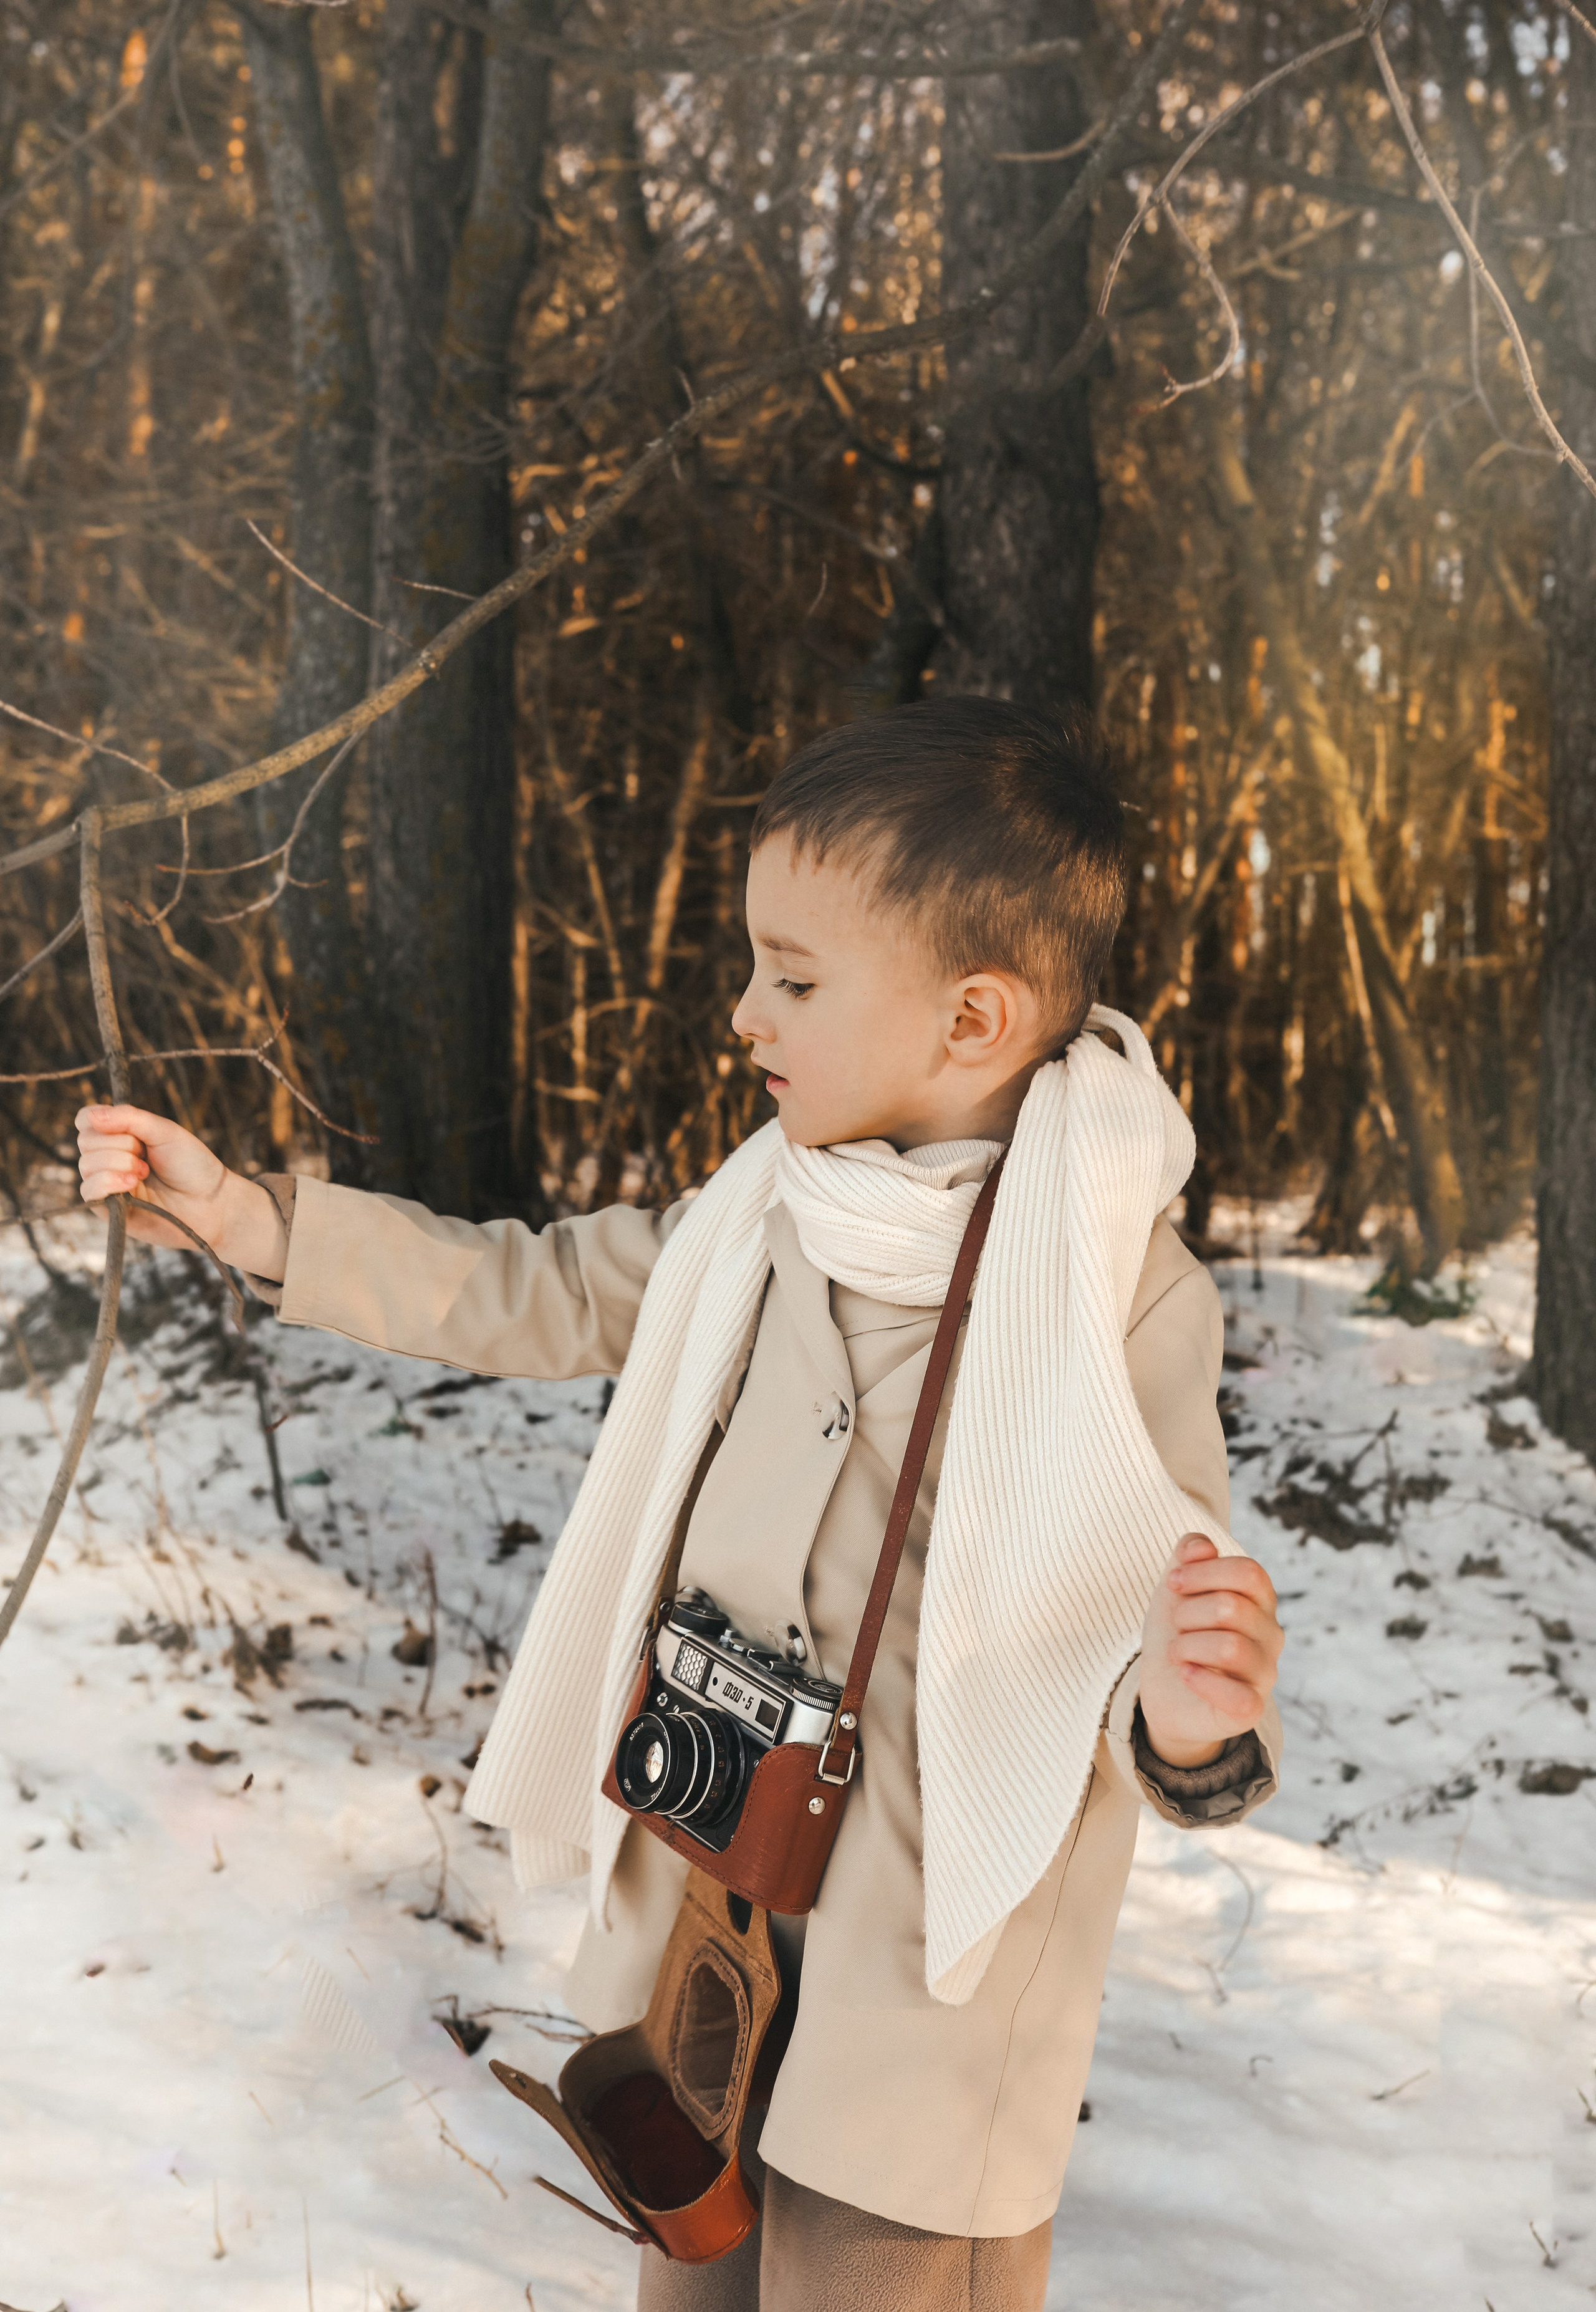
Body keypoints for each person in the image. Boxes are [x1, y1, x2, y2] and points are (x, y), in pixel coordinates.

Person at [77, 696, 1284, 2312]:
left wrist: (1193, 1716)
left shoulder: (1118, 1289)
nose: (743, 1012)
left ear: (973, 1018)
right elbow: (537, 1288)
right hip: (709, 1915)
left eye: (793, 977)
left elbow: (1148, 1623)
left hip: (923, 1984)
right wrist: (249, 1218)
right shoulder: (768, 1210)